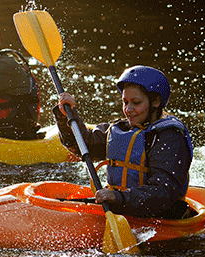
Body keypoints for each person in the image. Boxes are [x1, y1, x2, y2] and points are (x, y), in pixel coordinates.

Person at [55, 65, 193, 219]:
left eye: (136, 102)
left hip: (161, 217)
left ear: (155, 102)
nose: (128, 109)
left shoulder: (170, 137)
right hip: (120, 207)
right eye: (125, 102)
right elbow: (84, 146)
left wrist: (118, 197)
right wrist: (66, 115)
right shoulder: (121, 128)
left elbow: (163, 193)